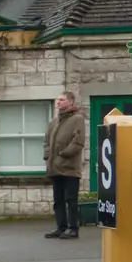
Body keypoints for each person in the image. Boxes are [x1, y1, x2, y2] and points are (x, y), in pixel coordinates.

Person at [44, 91, 86, 239]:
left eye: (62, 100)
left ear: (71, 102)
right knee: (58, 200)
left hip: (70, 168)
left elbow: (78, 142)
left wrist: (63, 154)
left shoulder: (77, 119)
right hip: (55, 168)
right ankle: (61, 227)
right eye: (58, 100)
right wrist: (48, 155)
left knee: (71, 200)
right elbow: (46, 141)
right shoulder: (54, 122)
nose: (58, 102)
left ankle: (73, 228)